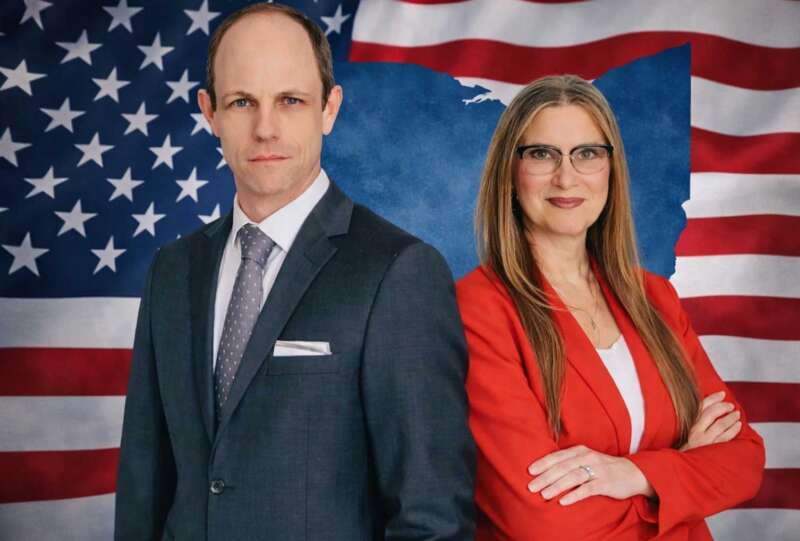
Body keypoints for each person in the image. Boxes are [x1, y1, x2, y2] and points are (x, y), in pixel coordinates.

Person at [115, 4, 475, 540]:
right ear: (209, 112)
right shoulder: (173, 269)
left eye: (290, 100)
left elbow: (432, 517)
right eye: (242, 102)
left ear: (329, 108)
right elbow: (145, 486)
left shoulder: (398, 271)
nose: (266, 128)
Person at [456, 75, 764, 540]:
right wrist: (678, 480)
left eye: (587, 153)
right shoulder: (476, 310)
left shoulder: (654, 299)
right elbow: (541, 522)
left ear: (610, 168)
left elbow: (743, 459)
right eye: (542, 154)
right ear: (510, 170)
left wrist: (633, 476)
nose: (567, 176)